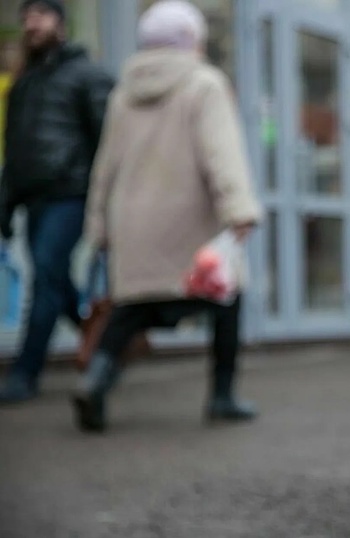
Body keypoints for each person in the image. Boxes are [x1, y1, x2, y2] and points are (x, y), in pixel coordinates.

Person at [73, 0, 261, 433]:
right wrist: (239, 210)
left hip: (133, 223)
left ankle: (95, 380)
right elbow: (222, 156)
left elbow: (105, 167)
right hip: (188, 222)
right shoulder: (204, 84)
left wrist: (98, 227)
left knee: (130, 311)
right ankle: (221, 396)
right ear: (191, 39)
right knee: (225, 300)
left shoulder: (123, 93)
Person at [0, 0, 114, 403]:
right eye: (26, 17)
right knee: (55, 280)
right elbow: (15, 150)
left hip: (72, 192)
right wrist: (7, 202)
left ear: (61, 24)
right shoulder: (24, 84)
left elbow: (109, 141)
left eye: (41, 15)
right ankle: (103, 343)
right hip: (34, 198)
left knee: (46, 276)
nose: (32, 23)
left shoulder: (87, 75)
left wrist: (108, 201)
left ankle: (25, 374)